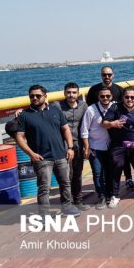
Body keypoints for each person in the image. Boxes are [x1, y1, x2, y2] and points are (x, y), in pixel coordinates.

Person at [15, 85, 81, 216]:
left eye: (38, 96)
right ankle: (44, 215)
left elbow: (66, 129)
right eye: (32, 96)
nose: (34, 98)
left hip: (61, 155)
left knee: (65, 183)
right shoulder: (24, 115)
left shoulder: (56, 110)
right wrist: (31, 154)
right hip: (41, 158)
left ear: (45, 96)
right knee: (44, 188)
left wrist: (70, 148)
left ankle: (67, 208)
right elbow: (19, 137)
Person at [102, 86, 134, 208]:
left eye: (132, 97)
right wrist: (113, 123)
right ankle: (115, 195)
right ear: (122, 98)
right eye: (127, 97)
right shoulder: (115, 107)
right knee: (116, 169)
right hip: (118, 145)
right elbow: (104, 123)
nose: (129, 99)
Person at [52, 82, 89, 211]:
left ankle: (78, 200)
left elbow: (90, 121)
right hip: (63, 145)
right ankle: (67, 202)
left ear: (78, 94)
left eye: (74, 92)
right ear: (64, 93)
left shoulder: (83, 106)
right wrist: (20, 111)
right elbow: (40, 108)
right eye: (68, 92)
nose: (71, 95)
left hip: (78, 144)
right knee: (66, 175)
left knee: (77, 174)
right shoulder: (57, 106)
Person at [80, 86, 114, 209]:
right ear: (98, 97)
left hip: (111, 147)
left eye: (108, 96)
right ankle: (102, 196)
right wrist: (87, 147)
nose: (105, 98)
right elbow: (84, 130)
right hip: (95, 147)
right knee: (98, 173)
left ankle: (110, 195)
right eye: (102, 96)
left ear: (112, 96)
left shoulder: (115, 107)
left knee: (111, 172)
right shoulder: (91, 110)